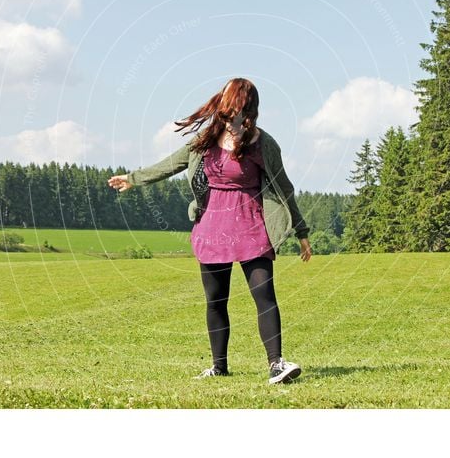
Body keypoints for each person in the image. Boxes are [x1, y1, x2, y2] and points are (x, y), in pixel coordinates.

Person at [107, 78, 312, 384]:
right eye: (227, 116)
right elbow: (171, 164)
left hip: (251, 224)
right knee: (216, 300)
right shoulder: (206, 139)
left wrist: (301, 232)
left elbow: (284, 188)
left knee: (264, 295)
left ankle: (276, 364)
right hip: (212, 225)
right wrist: (133, 179)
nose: (232, 124)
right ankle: (218, 366)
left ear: (251, 113)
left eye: (238, 117)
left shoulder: (263, 144)